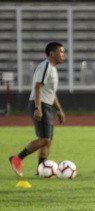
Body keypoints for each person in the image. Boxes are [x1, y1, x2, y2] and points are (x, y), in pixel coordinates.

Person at [9, 42, 66, 177]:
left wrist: (59, 110)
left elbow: (51, 93)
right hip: (41, 105)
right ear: (52, 54)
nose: (63, 55)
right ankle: (17, 159)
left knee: (48, 140)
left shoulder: (52, 68)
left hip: (46, 105)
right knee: (45, 139)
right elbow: (38, 87)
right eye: (61, 52)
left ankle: (41, 169)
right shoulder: (45, 66)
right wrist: (37, 107)